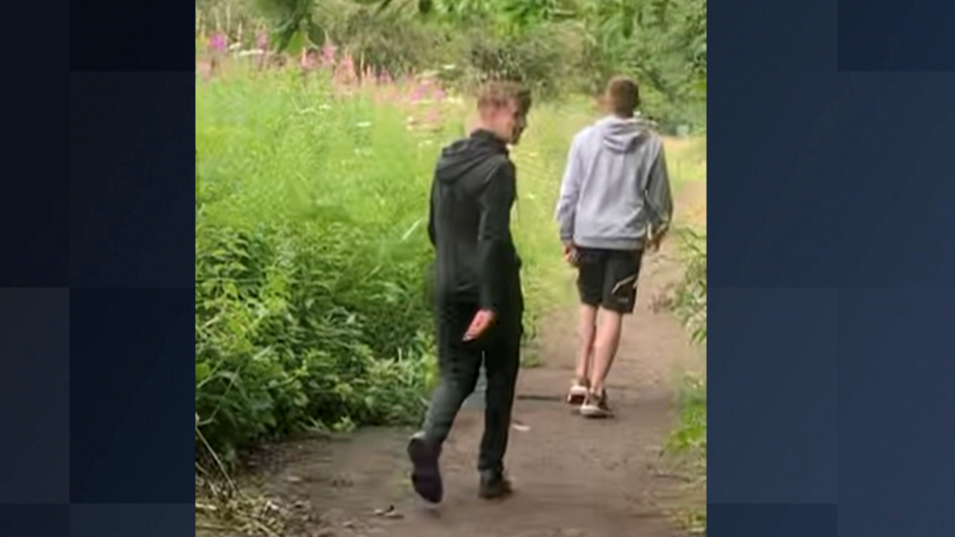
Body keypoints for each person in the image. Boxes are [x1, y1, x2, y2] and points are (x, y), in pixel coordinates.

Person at [408, 81, 531, 504]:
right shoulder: (499, 170)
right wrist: (490, 302)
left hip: (447, 284)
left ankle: (429, 439)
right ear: (490, 111)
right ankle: (490, 472)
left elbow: (434, 228)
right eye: (517, 114)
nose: (522, 124)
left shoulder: (446, 161)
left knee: (456, 372)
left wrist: (454, 273)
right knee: (500, 375)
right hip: (491, 292)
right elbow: (492, 238)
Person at [554, 76, 673, 419]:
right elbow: (658, 195)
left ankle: (579, 377)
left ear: (606, 101)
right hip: (626, 240)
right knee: (613, 311)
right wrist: (658, 227)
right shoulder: (651, 143)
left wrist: (567, 235)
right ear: (636, 104)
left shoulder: (584, 140)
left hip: (588, 235)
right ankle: (596, 391)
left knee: (588, 304)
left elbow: (569, 193)